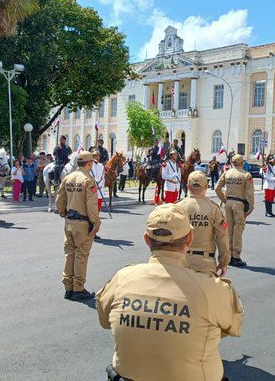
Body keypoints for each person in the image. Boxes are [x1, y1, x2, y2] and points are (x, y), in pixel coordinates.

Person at [96, 204, 243, 381]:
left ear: (146, 239)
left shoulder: (123, 278)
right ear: (189, 239)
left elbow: (105, 320)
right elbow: (233, 326)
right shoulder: (212, 288)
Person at [56, 151, 100, 301]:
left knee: (69, 253)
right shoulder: (88, 180)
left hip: (69, 221)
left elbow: (59, 199)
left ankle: (68, 288)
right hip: (83, 223)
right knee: (81, 255)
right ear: (89, 163)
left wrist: (64, 213)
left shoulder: (68, 178)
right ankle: (78, 288)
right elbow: (91, 204)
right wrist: (96, 222)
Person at [177, 171, 230, 276]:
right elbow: (222, 237)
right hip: (205, 262)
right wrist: (224, 262)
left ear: (188, 186)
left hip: (181, 261)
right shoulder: (213, 208)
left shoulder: (178, 207)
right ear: (206, 187)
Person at [214, 154, 254, 267]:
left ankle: (229, 256)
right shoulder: (246, 175)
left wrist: (224, 199)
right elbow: (250, 194)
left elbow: (217, 188)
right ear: (242, 163)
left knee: (228, 231)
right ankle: (236, 256)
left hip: (228, 203)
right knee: (238, 231)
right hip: (239, 204)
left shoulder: (227, 173)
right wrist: (250, 207)